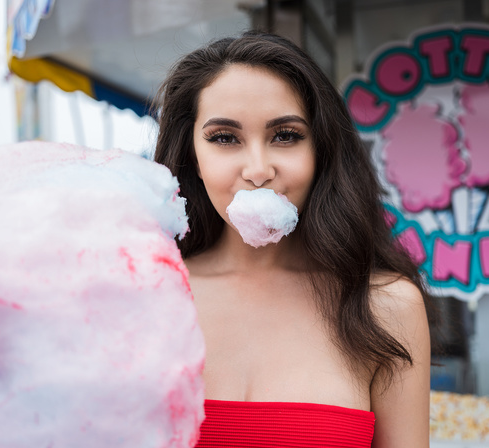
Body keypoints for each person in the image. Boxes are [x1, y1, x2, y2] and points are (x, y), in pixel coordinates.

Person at [153, 30, 434, 447]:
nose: (258, 169)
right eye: (225, 138)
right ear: (191, 157)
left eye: (285, 135)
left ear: (322, 151)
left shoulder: (386, 305)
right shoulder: (150, 294)